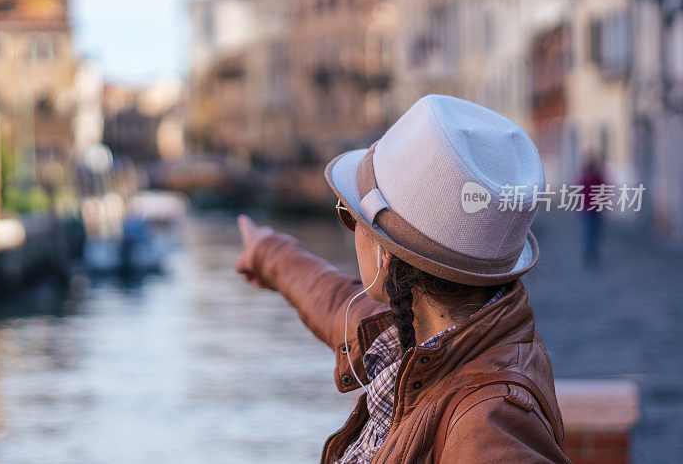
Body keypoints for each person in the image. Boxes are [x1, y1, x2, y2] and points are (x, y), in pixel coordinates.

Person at [235, 95, 570, 463]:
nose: (352, 230)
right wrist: (267, 251)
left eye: (350, 217)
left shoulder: (490, 424)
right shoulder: (422, 332)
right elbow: (334, 302)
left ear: (387, 253)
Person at [576, 153, 607, 264]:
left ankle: (591, 250)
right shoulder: (589, 177)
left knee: (591, 230)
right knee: (590, 230)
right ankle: (590, 250)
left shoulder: (593, 177)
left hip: (593, 208)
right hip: (591, 208)